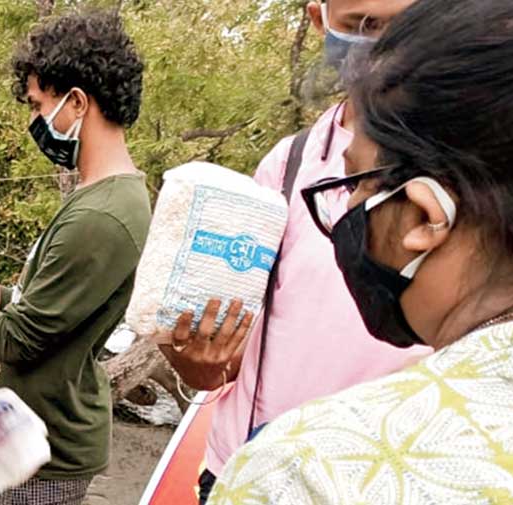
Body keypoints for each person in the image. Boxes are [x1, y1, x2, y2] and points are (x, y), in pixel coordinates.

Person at [209, 0, 513, 502]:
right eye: (363, 25)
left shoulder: (309, 471)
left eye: (355, 185)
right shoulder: (285, 162)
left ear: (424, 216)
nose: (348, 209)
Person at [157, 1, 423, 501]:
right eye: (361, 26)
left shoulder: (478, 176)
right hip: (243, 469)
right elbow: (226, 358)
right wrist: (195, 360)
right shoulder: (288, 164)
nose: (383, 46)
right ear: (319, 19)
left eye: (403, 24)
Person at [0, 10, 151, 505]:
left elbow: (16, 339)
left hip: (46, 451)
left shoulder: (103, 217)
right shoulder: (94, 196)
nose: (34, 121)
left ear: (77, 102)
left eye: (38, 106)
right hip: (23, 433)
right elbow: (24, 302)